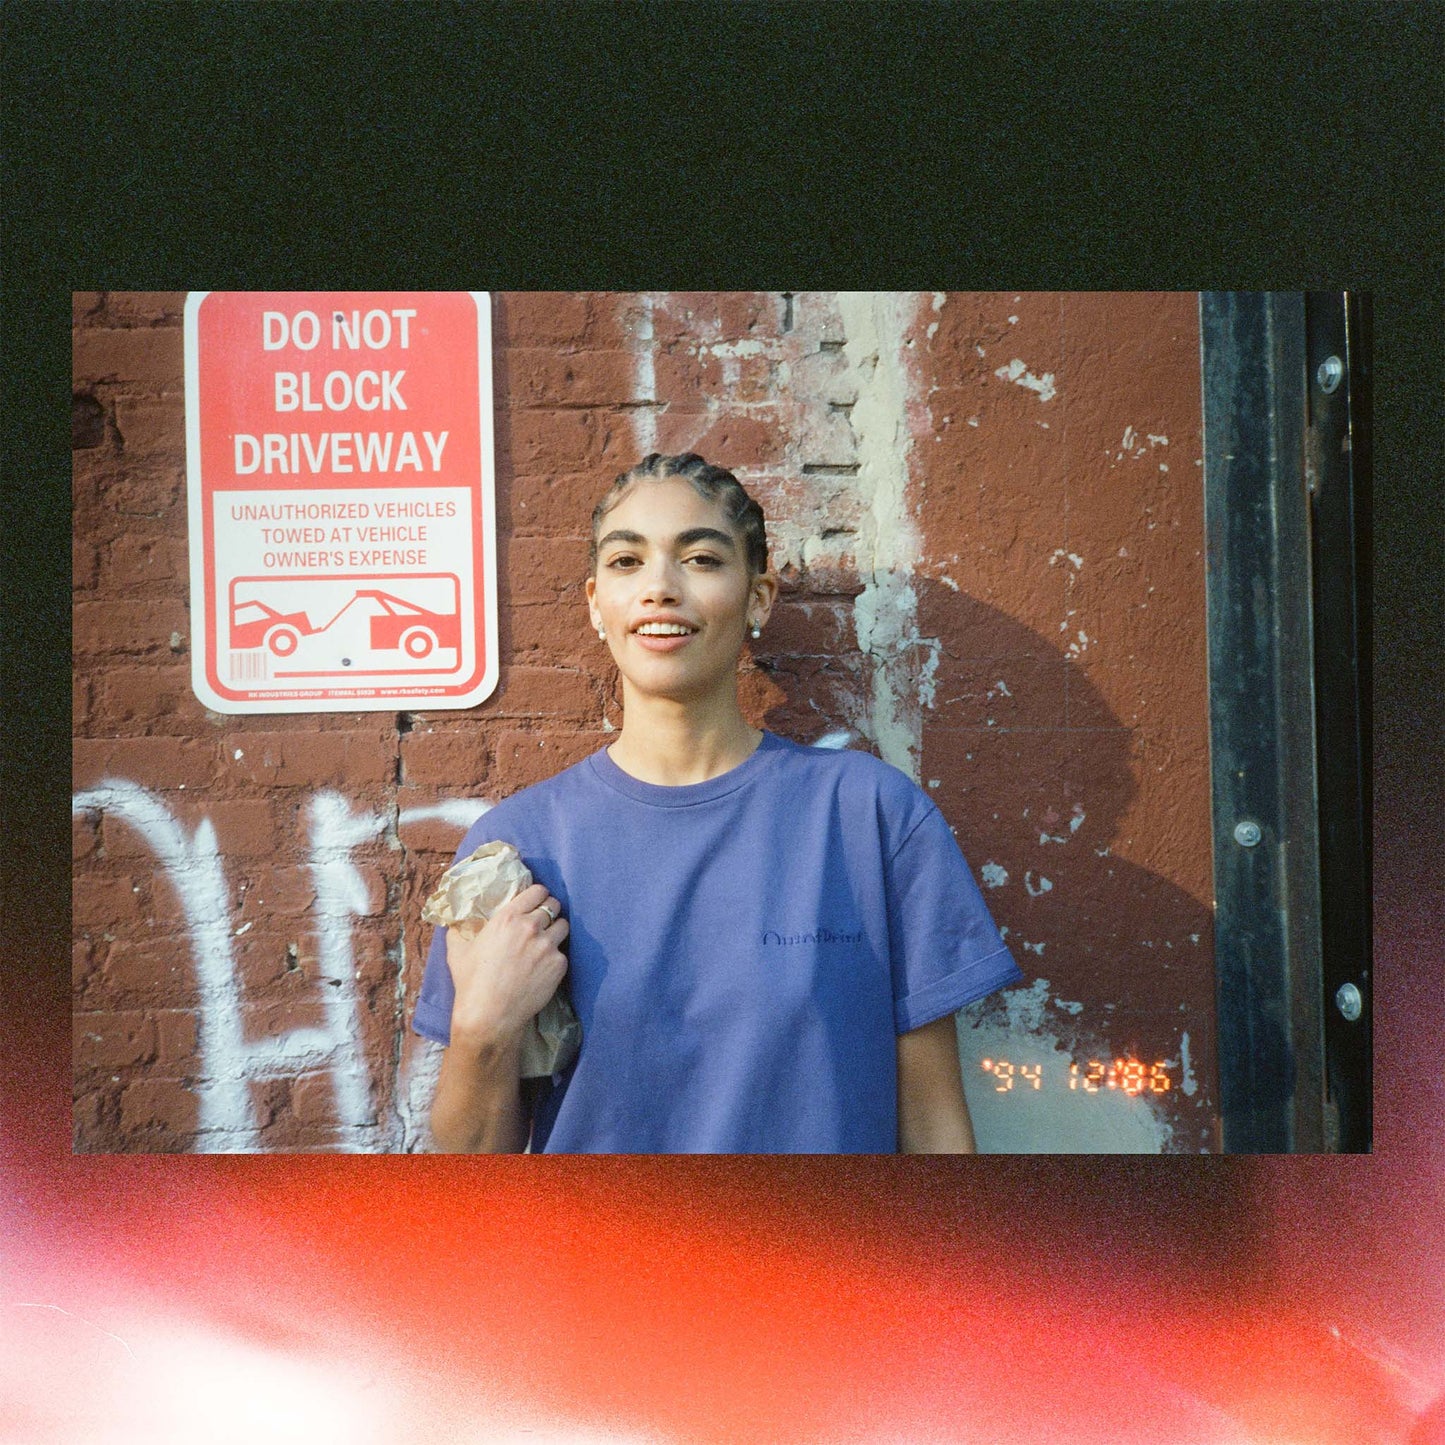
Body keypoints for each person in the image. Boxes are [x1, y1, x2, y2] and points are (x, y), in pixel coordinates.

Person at [413, 453, 1022, 1152]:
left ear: (758, 597)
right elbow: (469, 1172)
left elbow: (937, 1131)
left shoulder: (870, 818)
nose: (659, 589)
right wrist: (483, 1027)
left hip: (829, 1260)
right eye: (625, 563)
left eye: (700, 558)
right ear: (593, 605)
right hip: (595, 1260)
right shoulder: (517, 848)